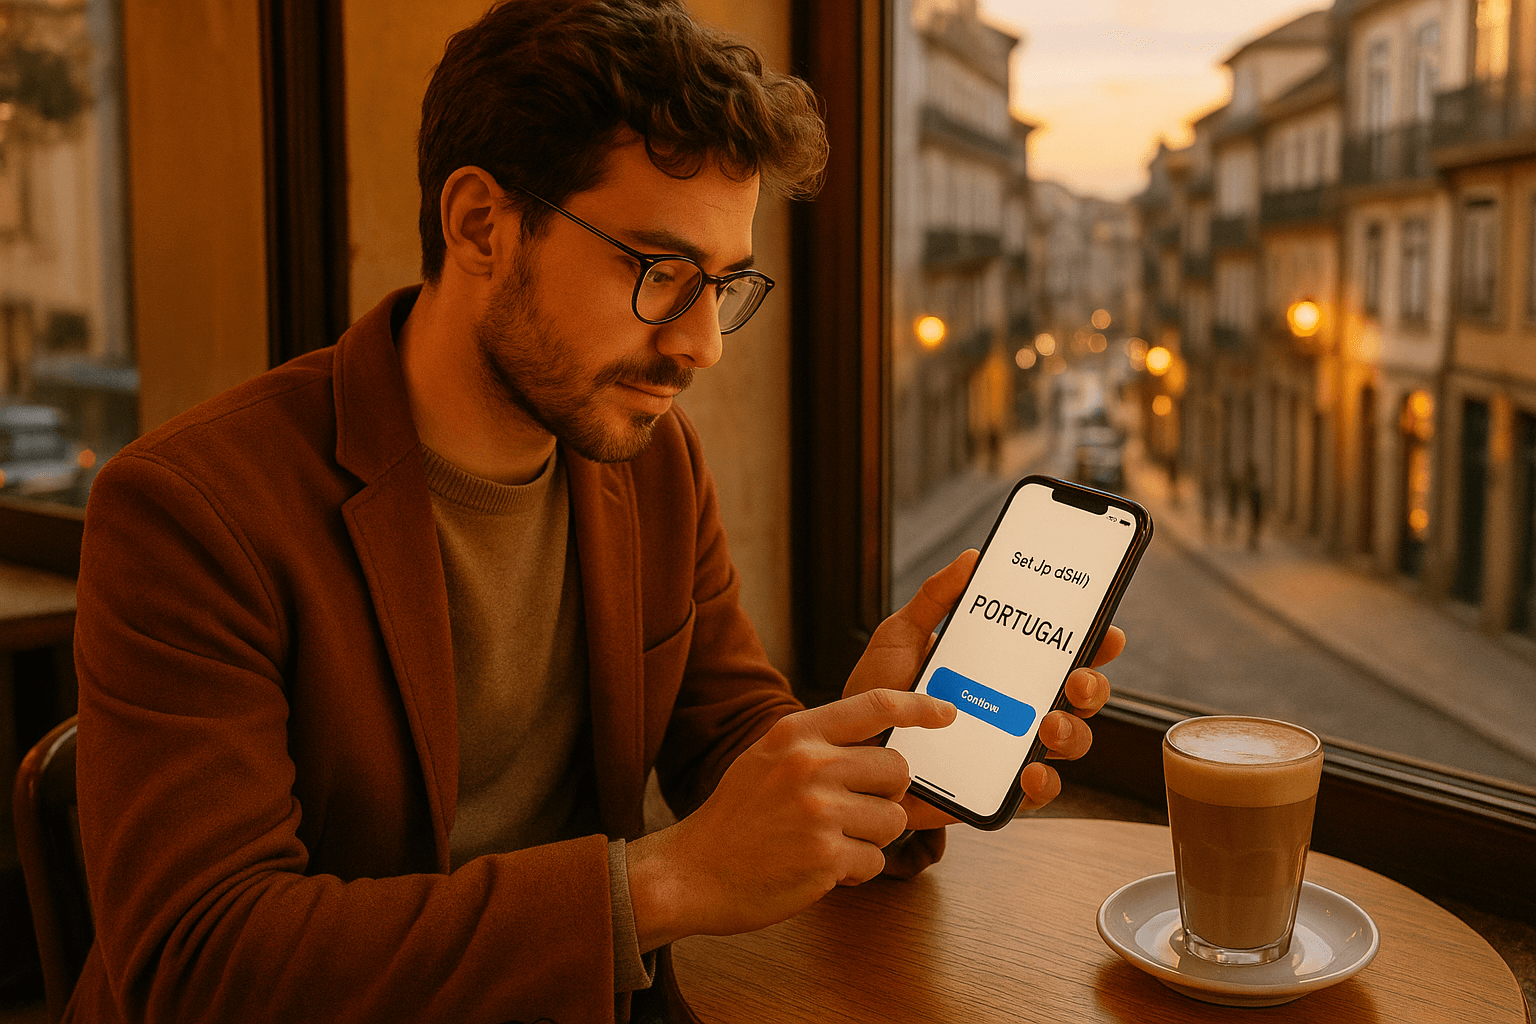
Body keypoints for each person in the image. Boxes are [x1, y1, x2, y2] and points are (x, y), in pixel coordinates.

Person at [68, 2, 1125, 1022]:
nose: (702, 343)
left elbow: (726, 729)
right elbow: (199, 964)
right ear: (481, 223)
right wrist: (657, 886)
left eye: (726, 283)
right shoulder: (189, 511)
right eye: (662, 271)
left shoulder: (648, 460)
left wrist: (876, 757)